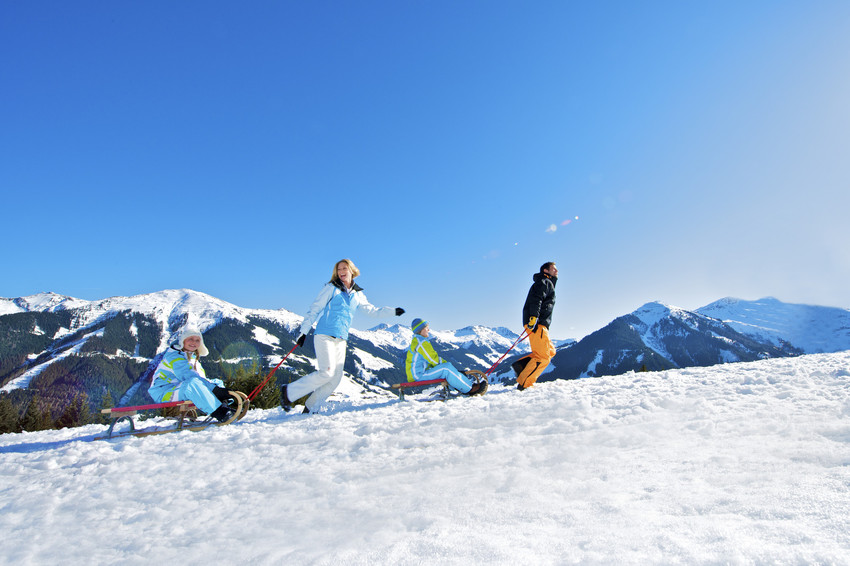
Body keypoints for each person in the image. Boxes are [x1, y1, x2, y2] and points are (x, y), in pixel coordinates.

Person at [282, 258, 405, 413]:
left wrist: (392, 311)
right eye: (339, 269)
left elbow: (371, 311)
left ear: (352, 271)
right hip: (324, 335)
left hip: (341, 339)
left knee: (335, 379)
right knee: (326, 373)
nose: (341, 272)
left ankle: (310, 407)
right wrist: (303, 331)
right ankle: (288, 392)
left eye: (344, 269)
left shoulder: (358, 294)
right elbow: (315, 309)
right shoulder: (331, 288)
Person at [148, 327, 235, 422]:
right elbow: (189, 376)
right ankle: (221, 413)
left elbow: (201, 378)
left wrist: (216, 388)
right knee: (192, 384)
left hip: (177, 388)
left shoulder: (191, 356)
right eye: (190, 339)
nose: (194, 342)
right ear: (182, 341)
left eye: (197, 340)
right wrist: (214, 390)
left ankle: (224, 405)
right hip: (164, 392)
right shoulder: (174, 356)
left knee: (216, 382)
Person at [406, 318, 487, 396]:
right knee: (446, 368)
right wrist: (449, 367)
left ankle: (461, 385)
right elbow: (433, 360)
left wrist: (453, 370)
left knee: (446, 368)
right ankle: (469, 389)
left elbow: (429, 361)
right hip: (418, 376)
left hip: (418, 374)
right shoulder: (421, 342)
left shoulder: (418, 341)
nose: (429, 330)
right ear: (421, 330)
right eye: (427, 328)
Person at [514, 262, 558, 390]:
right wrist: (533, 318)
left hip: (539, 324)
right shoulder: (543, 282)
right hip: (537, 323)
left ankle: (521, 366)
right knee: (543, 357)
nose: (556, 271)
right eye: (553, 269)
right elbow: (536, 299)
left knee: (550, 352)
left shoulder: (547, 283)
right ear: (546, 270)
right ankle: (524, 384)